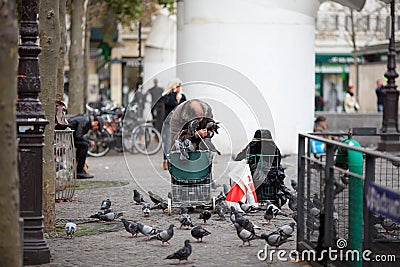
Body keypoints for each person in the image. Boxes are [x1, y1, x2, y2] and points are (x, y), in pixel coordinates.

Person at [67, 114, 103, 179]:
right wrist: (89, 142)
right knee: (84, 146)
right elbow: (78, 135)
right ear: (96, 123)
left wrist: (88, 141)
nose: (95, 130)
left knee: (83, 144)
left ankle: (78, 165)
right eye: (97, 128)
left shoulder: (86, 119)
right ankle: (79, 171)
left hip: (69, 136)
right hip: (66, 137)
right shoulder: (86, 121)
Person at [162, 78, 187, 170]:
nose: (179, 88)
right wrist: (173, 94)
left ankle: (178, 161)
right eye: (177, 86)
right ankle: (166, 160)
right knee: (168, 141)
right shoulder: (167, 96)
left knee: (180, 141)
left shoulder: (182, 96)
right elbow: (170, 103)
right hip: (169, 122)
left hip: (179, 122)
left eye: (179, 86)